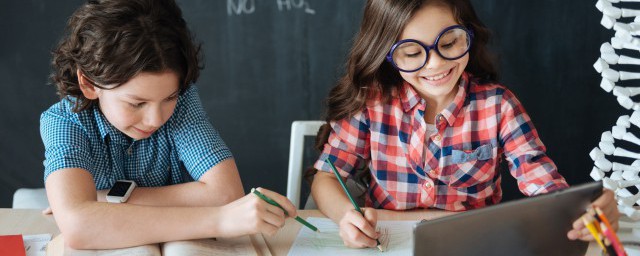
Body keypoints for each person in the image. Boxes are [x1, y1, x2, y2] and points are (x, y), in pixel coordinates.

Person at [309, 0, 619, 248]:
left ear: (467, 33)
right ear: (386, 55)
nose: (436, 64)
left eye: (450, 42)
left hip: (471, 244)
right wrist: (347, 217)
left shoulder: (498, 105)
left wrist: (580, 209)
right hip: (387, 242)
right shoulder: (371, 104)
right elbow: (326, 178)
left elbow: (542, 182)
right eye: (413, 53)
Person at [40, 0, 296, 249]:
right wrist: (219, 219)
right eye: (136, 103)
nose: (156, 119)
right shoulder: (64, 121)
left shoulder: (183, 102)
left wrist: (103, 199)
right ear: (89, 84)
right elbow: (79, 227)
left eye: (169, 98)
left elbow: (227, 194)